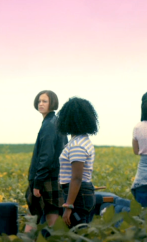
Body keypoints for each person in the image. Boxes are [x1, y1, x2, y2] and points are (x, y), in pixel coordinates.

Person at [25, 90, 67, 231]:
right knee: (52, 215)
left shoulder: (49, 125)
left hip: (46, 179)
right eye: (39, 101)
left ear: (52, 103)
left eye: (45, 101)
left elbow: (46, 156)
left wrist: (37, 182)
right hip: (54, 177)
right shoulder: (56, 122)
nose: (41, 104)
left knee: (32, 216)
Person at [56, 97, 98, 227]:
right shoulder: (81, 141)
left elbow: (76, 178)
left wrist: (69, 206)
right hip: (80, 194)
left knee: (78, 233)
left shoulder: (77, 145)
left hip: (78, 195)